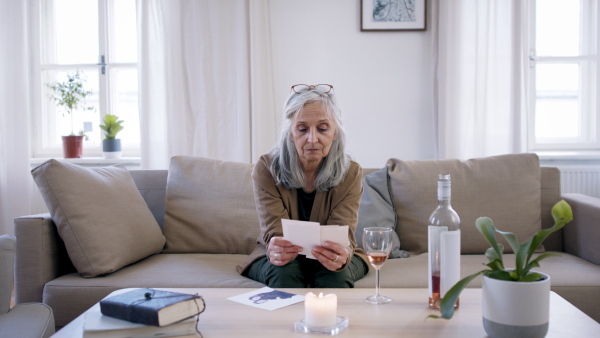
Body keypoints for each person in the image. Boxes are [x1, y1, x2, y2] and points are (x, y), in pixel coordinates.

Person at [237, 84, 368, 288]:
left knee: (335, 275)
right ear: (291, 131)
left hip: (329, 255)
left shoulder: (351, 173)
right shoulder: (267, 168)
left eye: (323, 128)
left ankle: (332, 321)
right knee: (284, 272)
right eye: (302, 128)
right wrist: (277, 248)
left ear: (335, 131)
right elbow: (274, 231)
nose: (312, 139)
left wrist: (341, 254)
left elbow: (343, 231)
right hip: (283, 256)